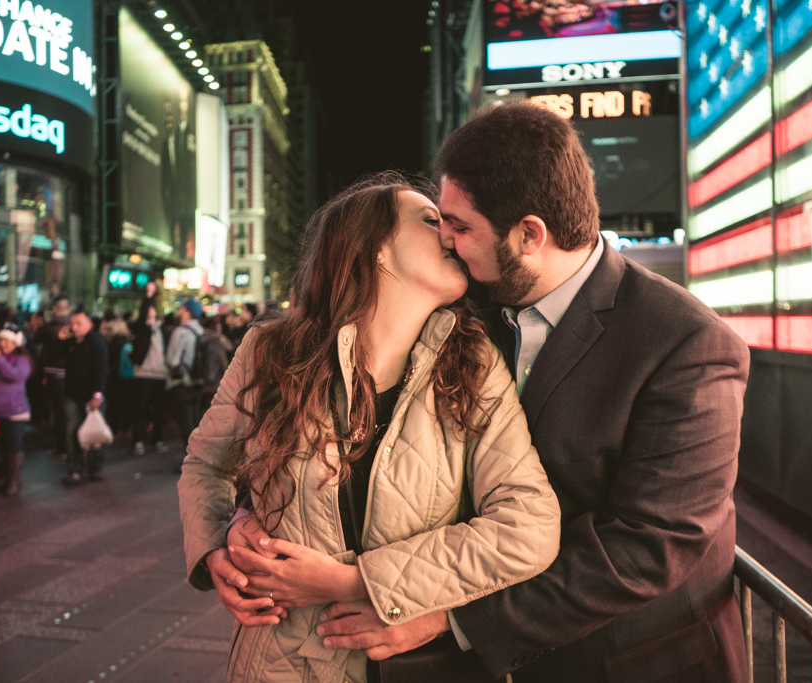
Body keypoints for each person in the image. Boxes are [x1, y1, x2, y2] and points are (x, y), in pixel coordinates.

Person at [229, 103, 752, 682]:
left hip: (634, 659)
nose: (447, 242)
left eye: (459, 226)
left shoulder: (686, 343)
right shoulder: (463, 309)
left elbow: (652, 546)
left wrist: (451, 618)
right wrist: (250, 521)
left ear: (529, 234)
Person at [177, 173, 561, 683]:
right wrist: (214, 547)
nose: (450, 234)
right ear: (376, 249)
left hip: (424, 667)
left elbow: (529, 527)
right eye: (431, 221)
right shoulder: (271, 352)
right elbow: (206, 464)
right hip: (283, 662)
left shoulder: (473, 364)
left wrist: (355, 581)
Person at [60, 311, 109, 486]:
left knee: (94, 433)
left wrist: (97, 394)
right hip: (73, 395)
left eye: (78, 323)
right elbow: (57, 357)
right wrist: (61, 340)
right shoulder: (71, 343)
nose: (74, 327)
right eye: (72, 323)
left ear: (89, 324)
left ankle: (95, 466)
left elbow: (102, 370)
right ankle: (75, 468)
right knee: (72, 432)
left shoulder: (97, 343)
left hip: (91, 396)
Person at [0, 326, 33, 496]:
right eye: (1, 340)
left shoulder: (22, 359)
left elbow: (16, 376)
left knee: (14, 446)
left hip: (15, 411)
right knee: (3, 447)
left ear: (15, 342)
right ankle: (7, 480)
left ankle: (14, 482)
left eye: (7, 340)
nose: (2, 343)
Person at [130, 283, 170, 456]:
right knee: (140, 409)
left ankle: (156, 439)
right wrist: (148, 295)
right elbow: (143, 313)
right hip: (143, 373)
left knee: (159, 411)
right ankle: (139, 440)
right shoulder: (142, 329)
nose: (151, 311)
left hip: (160, 375)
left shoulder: (163, 330)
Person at [33, 296, 72, 459]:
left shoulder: (49, 327)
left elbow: (35, 338)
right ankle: (69, 446)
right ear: (69, 308)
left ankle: (63, 446)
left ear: (54, 309)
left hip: (54, 374)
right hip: (71, 373)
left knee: (60, 411)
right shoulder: (74, 326)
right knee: (70, 411)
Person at [165, 297, 204, 451]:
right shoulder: (200, 330)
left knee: (185, 423)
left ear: (187, 312)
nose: (179, 310)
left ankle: (191, 459)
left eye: (182, 308)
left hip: (182, 383)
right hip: (198, 381)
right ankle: (198, 457)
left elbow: (172, 360)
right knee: (196, 421)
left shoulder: (180, 331)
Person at [194, 315, 232, 410]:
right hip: (214, 383)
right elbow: (223, 365)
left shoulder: (200, 339)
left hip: (200, 382)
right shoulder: (217, 342)